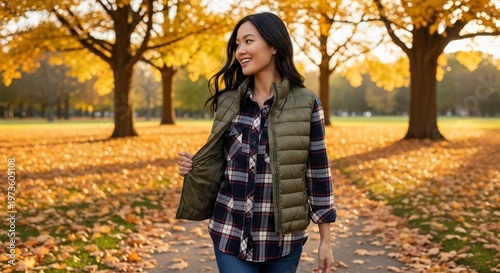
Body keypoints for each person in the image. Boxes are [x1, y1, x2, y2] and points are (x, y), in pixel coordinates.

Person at [176, 12, 337, 273]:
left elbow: (318, 173)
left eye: (248, 41)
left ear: (274, 46)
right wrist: (193, 166)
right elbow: (219, 162)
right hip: (230, 233)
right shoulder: (227, 102)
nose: (240, 51)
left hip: (284, 241)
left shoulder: (307, 104)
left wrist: (326, 241)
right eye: (237, 45)